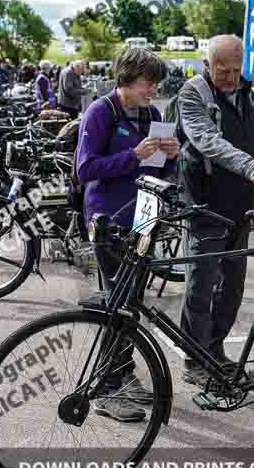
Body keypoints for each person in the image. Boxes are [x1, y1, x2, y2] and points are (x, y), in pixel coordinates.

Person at [76, 48, 179, 421]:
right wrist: (133, 155)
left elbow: (159, 171)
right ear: (127, 78)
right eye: (148, 82)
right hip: (109, 220)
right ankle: (106, 388)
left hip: (143, 217)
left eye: (156, 82)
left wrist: (171, 155)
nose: (154, 88)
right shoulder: (101, 111)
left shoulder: (152, 113)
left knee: (130, 304)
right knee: (117, 305)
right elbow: (85, 169)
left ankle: (123, 374)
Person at [176, 34, 254, 389]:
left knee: (232, 288)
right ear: (208, 64)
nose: (231, 78)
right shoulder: (191, 93)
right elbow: (207, 140)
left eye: (237, 70)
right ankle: (195, 360)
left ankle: (215, 352)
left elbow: (253, 137)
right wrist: (251, 167)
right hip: (204, 206)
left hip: (241, 205)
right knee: (201, 286)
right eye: (224, 70)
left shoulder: (245, 91)